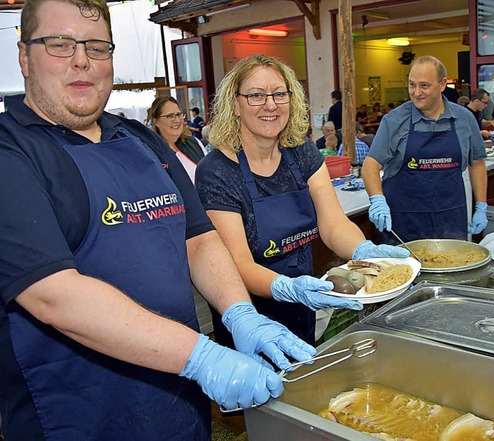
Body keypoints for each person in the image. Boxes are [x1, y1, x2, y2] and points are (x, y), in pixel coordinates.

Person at [0, 1, 317, 439]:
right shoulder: (10, 152)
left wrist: (241, 314)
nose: (81, 60)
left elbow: (200, 240)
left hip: (177, 397)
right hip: (80, 414)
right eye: (59, 44)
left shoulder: (139, 138)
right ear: (24, 57)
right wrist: (204, 358)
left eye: (96, 46)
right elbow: (54, 295)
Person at [195, 53, 409, 346]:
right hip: (250, 323)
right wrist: (287, 288)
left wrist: (362, 250)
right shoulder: (217, 171)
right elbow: (237, 264)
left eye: (279, 94)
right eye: (256, 95)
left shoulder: (302, 153)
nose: (270, 104)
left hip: (302, 306)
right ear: (235, 104)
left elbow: (333, 223)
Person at [361, 55, 488, 243]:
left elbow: (477, 163)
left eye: (424, 86)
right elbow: (370, 165)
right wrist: (377, 200)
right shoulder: (395, 120)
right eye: (412, 85)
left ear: (442, 84)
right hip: (404, 223)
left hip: (450, 218)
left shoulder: (464, 118)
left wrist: (482, 205)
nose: (416, 92)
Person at [149, 96, 207, 183]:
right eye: (170, 116)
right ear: (155, 121)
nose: (176, 120)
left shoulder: (194, 143)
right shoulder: (151, 153)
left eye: (179, 115)